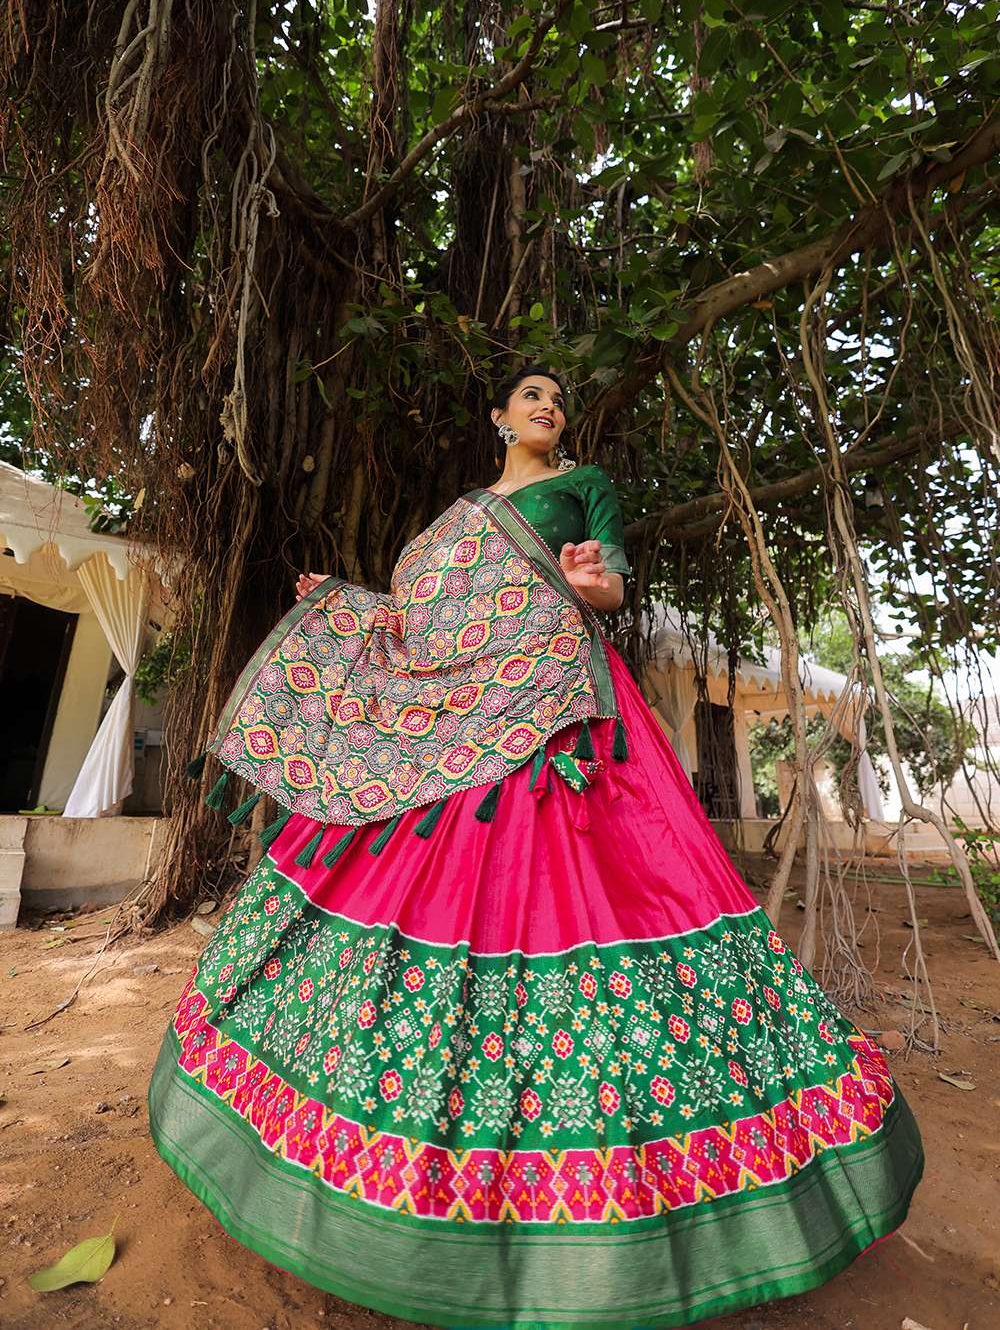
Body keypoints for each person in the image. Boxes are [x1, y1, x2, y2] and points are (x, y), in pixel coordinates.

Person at [149, 366, 923, 1328]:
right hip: (455, 718)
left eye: (557, 398)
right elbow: (427, 623)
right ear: (499, 417)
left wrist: (597, 587)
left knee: (604, 892)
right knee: (403, 881)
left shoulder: (582, 485)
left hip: (558, 704)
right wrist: (353, 606)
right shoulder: (461, 512)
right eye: (530, 395)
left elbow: (611, 578)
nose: (546, 405)